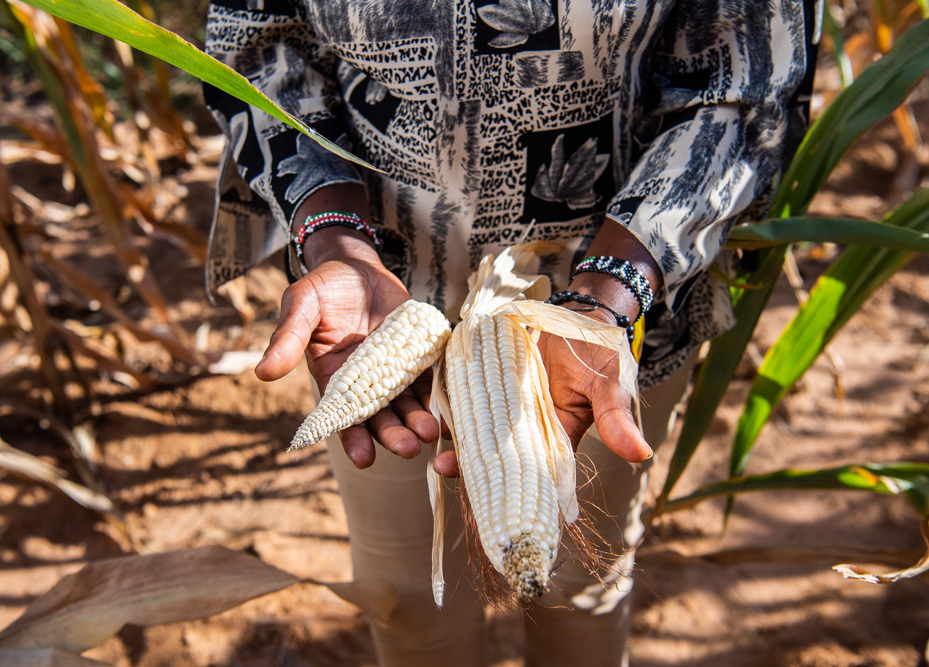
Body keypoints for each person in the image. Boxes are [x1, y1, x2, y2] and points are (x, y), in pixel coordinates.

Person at [202, 1, 816, 664]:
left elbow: (753, 84)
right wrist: (336, 243)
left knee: (582, 585)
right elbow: (259, 50)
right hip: (384, 292)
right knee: (408, 597)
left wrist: (606, 298)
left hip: (616, 306)